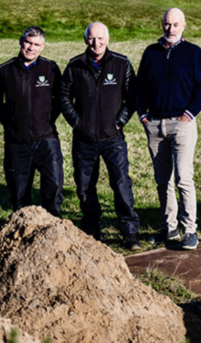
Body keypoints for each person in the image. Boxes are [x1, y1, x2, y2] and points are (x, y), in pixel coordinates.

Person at [60, 22, 141, 250]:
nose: (96, 43)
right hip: (84, 140)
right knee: (85, 187)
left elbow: (131, 97)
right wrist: (77, 122)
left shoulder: (121, 63)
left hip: (112, 138)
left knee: (121, 183)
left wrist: (119, 122)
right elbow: (64, 96)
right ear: (86, 40)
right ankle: (92, 232)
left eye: (100, 38)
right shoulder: (75, 65)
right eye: (92, 39)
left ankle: (129, 233)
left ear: (108, 39)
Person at [136, 8, 201, 251]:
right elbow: (140, 87)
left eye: (175, 25)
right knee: (162, 180)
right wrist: (144, 115)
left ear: (183, 26)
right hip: (155, 125)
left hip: (182, 125)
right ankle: (169, 228)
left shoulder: (193, 53)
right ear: (162, 24)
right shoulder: (151, 52)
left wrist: (188, 115)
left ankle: (190, 230)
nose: (170, 29)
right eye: (167, 24)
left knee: (183, 178)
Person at [0, 26, 64, 217]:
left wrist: (47, 120)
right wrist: (12, 123)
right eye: (28, 42)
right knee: (19, 191)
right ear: (21, 42)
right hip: (17, 141)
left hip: (46, 139)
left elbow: (60, 99)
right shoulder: (5, 70)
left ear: (43, 47)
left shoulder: (51, 68)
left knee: (53, 184)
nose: (31, 48)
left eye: (36, 44)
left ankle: (54, 225)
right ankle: (23, 231)